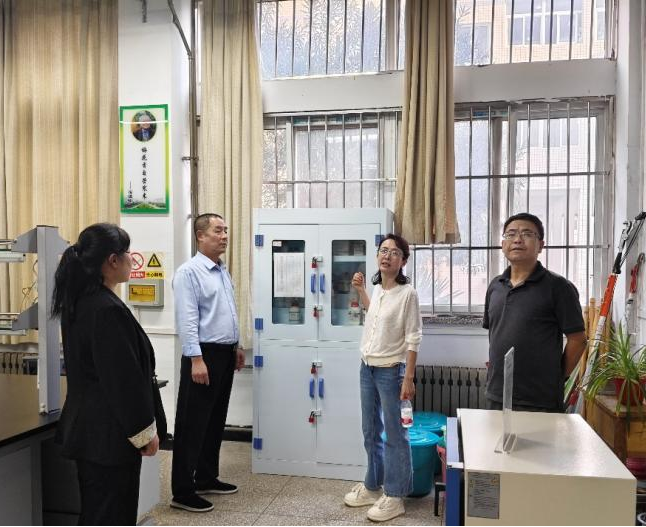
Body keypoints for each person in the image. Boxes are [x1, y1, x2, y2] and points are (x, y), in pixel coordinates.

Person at [52, 223, 160, 526]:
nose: (132, 259)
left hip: (93, 433)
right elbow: (121, 381)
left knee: (98, 512)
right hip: (108, 436)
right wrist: (143, 434)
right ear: (112, 260)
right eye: (127, 253)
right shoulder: (105, 309)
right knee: (111, 514)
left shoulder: (82, 302)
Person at [343, 234, 422, 523]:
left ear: (403, 260)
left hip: (392, 371)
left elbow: (414, 338)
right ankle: (373, 486)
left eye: (394, 252)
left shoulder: (408, 294)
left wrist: (408, 378)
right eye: (383, 251)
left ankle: (396, 495)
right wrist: (361, 290)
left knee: (395, 435)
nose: (387, 256)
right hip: (367, 367)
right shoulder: (378, 290)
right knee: (370, 430)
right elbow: (373, 313)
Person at [171, 213, 245, 513]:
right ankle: (182, 491)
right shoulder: (189, 272)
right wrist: (196, 358)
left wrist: (237, 346)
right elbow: (187, 319)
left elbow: (228, 312)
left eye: (226, 230)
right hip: (203, 355)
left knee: (214, 420)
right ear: (200, 236)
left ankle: (205, 477)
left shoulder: (221, 270)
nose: (224, 235)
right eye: (218, 230)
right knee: (192, 424)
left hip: (224, 353)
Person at [484, 213, 588, 412]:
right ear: (503, 244)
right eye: (511, 234)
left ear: (541, 245)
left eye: (527, 234)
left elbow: (578, 340)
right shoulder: (495, 286)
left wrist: (558, 376)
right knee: (495, 434)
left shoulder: (559, 287)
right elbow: (496, 335)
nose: (517, 239)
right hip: (497, 393)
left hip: (540, 399)